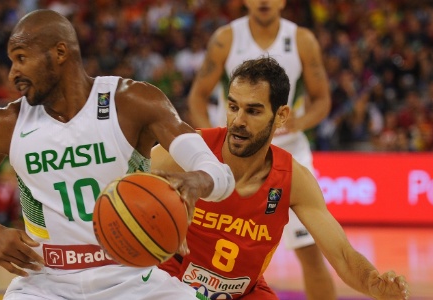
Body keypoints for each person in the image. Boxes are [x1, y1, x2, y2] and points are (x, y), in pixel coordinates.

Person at [0, 9, 235, 300]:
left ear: (60, 52)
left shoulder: (131, 102)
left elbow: (220, 172)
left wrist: (198, 181)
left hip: (132, 276)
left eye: (21, 58)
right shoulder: (7, 123)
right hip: (45, 283)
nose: (13, 74)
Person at [154, 57, 410, 300]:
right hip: (170, 284)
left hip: (245, 292)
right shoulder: (186, 149)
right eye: (233, 107)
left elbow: (342, 255)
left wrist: (371, 283)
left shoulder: (294, 179)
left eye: (253, 111)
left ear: (281, 116)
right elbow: (119, 187)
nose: (238, 121)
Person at [185, 1, 335, 298]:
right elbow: (197, 98)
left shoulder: (302, 40)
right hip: (232, 156)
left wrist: (299, 121)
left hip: (287, 155)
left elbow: (322, 100)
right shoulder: (225, 38)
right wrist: (208, 148)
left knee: (310, 251)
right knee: (204, 246)